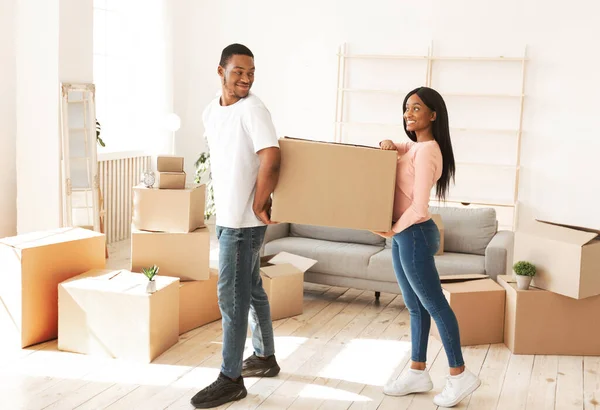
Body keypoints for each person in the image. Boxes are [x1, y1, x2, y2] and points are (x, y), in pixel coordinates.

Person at [373, 86, 481, 408]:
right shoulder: (414, 146)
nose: (409, 114)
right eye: (407, 108)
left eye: (416, 109)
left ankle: (460, 375)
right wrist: (387, 144)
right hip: (406, 236)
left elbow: (420, 209)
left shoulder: (429, 151)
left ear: (433, 115)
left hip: (414, 234)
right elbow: (394, 146)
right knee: (416, 306)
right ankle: (418, 372)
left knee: (435, 305)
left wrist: (391, 230)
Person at [191, 43, 282, 409]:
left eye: (251, 73)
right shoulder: (211, 111)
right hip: (227, 216)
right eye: (238, 72)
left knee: (232, 296)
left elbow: (271, 157)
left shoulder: (254, 109)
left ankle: (231, 378)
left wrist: (259, 202)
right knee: (252, 287)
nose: (246, 79)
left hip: (245, 222)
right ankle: (265, 356)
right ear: (221, 71)